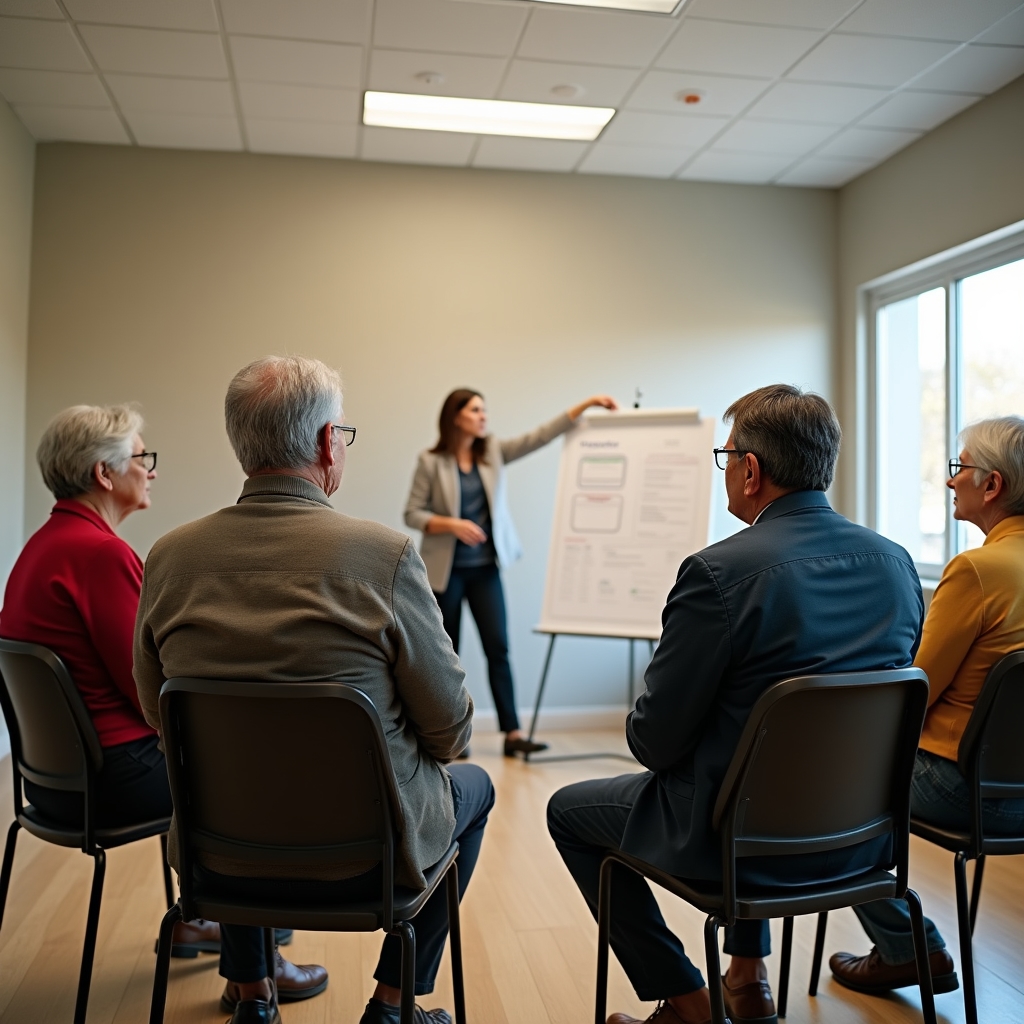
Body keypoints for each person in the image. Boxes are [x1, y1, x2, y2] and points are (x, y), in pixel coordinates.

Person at [546, 384, 924, 1024]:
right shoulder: (897, 565)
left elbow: (655, 743)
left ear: (752, 471)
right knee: (757, 768)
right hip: (866, 844)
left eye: (726, 459)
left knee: (568, 812)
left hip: (734, 847)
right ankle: (745, 978)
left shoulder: (718, 574)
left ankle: (690, 1003)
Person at [134, 356, 493, 1024]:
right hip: (369, 861)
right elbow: (450, 730)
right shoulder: (382, 556)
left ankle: (250, 993)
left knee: (231, 769)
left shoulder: (169, 558)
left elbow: (157, 714)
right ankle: (392, 1003)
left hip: (219, 860)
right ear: (329, 443)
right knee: (478, 787)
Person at [0, 405, 320, 1001]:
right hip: (114, 776)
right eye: (141, 458)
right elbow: (151, 685)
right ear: (104, 472)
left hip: (54, 783)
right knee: (241, 783)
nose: (150, 471)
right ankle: (255, 978)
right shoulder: (99, 553)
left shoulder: (43, 547)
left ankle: (206, 920)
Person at [830, 415, 1024, 996]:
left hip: (961, 786)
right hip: (1017, 795)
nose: (949, 482)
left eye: (958, 468)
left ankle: (909, 948)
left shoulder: (978, 570)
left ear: (992, 487)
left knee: (822, 789)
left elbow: (913, 687)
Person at [405, 388, 618, 756]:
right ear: (456, 416)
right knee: (446, 654)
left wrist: (585, 405)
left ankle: (513, 734)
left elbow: (541, 435)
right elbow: (412, 513)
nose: (483, 416)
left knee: (498, 649)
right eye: (475, 410)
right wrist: (451, 524)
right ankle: (450, 736)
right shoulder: (431, 461)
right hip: (447, 572)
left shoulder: (492, 453)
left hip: (487, 568)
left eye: (484, 410)